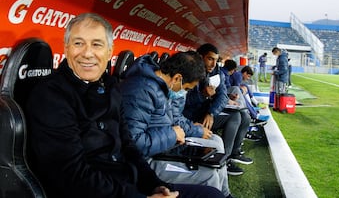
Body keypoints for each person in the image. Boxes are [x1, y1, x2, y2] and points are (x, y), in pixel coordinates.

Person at [25, 13, 224, 198]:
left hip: (130, 181)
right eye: (78, 43)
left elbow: (129, 146)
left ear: (109, 51)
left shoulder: (110, 86)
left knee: (211, 195)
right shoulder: (50, 95)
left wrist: (155, 185)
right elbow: (71, 174)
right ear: (66, 48)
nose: (87, 53)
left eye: (97, 44)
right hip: (102, 192)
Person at [113, 51, 233, 198]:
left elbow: (173, 120)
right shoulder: (141, 90)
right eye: (187, 88)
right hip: (146, 162)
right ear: (177, 78)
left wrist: (188, 130)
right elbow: (133, 143)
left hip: (165, 149)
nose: (184, 92)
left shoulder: (161, 86)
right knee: (209, 176)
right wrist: (172, 134)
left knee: (215, 155)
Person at [183, 43, 253, 176]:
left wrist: (211, 113)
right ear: (200, 57)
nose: (213, 63)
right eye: (210, 59)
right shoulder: (189, 72)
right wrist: (202, 95)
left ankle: (231, 155)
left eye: (216, 60)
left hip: (206, 115)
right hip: (190, 118)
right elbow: (182, 102)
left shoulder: (217, 73)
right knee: (236, 116)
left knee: (241, 116)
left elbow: (222, 96)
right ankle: (223, 160)